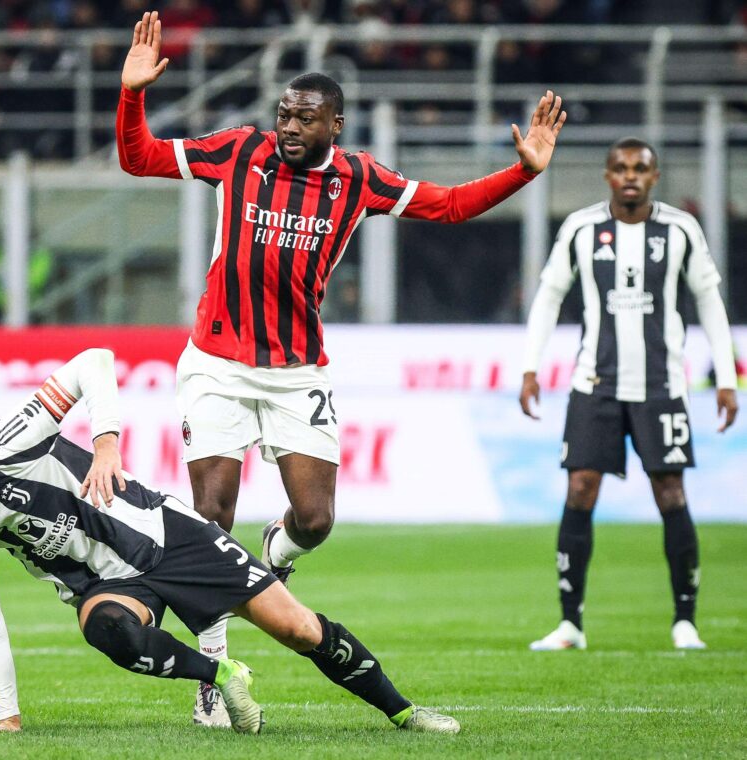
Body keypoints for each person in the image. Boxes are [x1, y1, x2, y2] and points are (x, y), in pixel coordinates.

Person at [116, 10, 566, 724]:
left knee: (318, 520)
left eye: (305, 117)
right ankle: (214, 676)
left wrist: (522, 170)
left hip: (298, 369)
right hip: (216, 362)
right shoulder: (238, 152)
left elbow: (447, 206)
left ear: (336, 125)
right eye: (283, 114)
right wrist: (133, 93)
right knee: (210, 517)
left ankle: (277, 547)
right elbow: (138, 158)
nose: (288, 127)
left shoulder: (358, 180)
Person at [0, 348, 461, 735]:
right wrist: (8, 717)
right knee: (107, 629)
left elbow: (94, 362)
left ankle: (405, 714)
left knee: (300, 631)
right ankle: (224, 678)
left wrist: (105, 443)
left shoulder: (8, 443)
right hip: (112, 585)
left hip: (167, 535)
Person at [519, 137, 739, 652]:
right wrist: (530, 366)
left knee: (670, 493)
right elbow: (550, 294)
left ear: (655, 177)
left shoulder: (680, 229)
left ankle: (685, 620)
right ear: (607, 176)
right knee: (580, 490)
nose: (631, 176)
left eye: (640, 168)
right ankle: (570, 623)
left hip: (662, 385)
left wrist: (726, 376)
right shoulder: (581, 227)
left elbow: (709, 299)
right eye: (620, 168)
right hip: (594, 383)